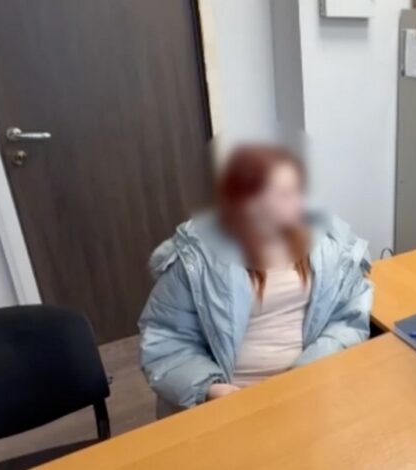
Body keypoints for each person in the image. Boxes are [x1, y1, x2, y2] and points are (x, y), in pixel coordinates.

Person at [138, 144, 372, 417]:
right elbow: (165, 341)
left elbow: (349, 317)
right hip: (230, 404)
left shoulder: (329, 246)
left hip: (310, 390)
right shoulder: (196, 259)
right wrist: (210, 388)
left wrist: (310, 369)